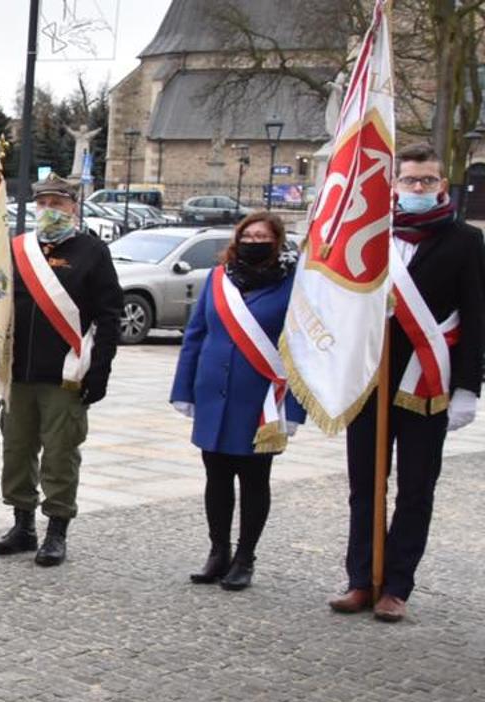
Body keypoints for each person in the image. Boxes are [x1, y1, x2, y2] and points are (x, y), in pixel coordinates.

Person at [329, 142, 483, 622]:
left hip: (427, 382)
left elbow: (477, 319)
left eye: (428, 181)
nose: (419, 188)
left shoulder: (465, 242)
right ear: (394, 185)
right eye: (410, 180)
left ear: (442, 184)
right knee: (364, 485)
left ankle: (396, 585)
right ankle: (361, 579)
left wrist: (468, 389)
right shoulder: (373, 236)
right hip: (370, 381)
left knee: (416, 488)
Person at [0, 174, 119, 567]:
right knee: (16, 450)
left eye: (57, 205)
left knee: (60, 454)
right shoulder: (16, 249)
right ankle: (22, 524)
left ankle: (56, 529)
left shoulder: (92, 252)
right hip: (18, 371)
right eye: (43, 205)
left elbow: (108, 316)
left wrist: (101, 370)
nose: (49, 212)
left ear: (73, 207)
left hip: (65, 372)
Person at [170, 213, 304, 592]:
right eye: (248, 234)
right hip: (214, 394)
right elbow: (195, 334)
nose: (254, 240)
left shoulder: (293, 283)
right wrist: (184, 389)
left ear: (276, 241)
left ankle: (245, 558)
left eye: (262, 235)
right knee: (216, 476)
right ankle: (218, 552)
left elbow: (301, 348)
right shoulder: (219, 278)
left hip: (261, 399)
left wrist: (293, 409)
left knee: (254, 479)